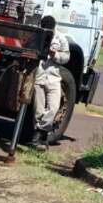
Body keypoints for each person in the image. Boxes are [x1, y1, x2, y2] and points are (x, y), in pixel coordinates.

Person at [31, 15, 70, 150]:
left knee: (53, 107)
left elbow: (66, 57)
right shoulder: (37, 36)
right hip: (40, 76)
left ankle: (43, 131)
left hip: (54, 78)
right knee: (38, 109)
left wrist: (55, 55)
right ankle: (38, 138)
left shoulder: (61, 38)